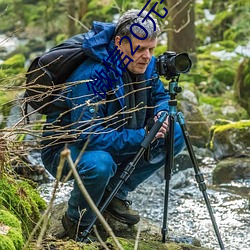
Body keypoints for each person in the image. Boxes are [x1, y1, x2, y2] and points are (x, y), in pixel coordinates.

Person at [41, 9, 185, 241]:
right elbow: (87, 135)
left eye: (152, 49)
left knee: (175, 132)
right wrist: (142, 135)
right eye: (140, 49)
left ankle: (115, 193)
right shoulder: (92, 75)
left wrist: (161, 114)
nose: (147, 56)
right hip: (67, 150)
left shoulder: (145, 64)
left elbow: (159, 96)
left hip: (117, 136)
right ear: (120, 42)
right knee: (100, 164)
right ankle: (76, 221)